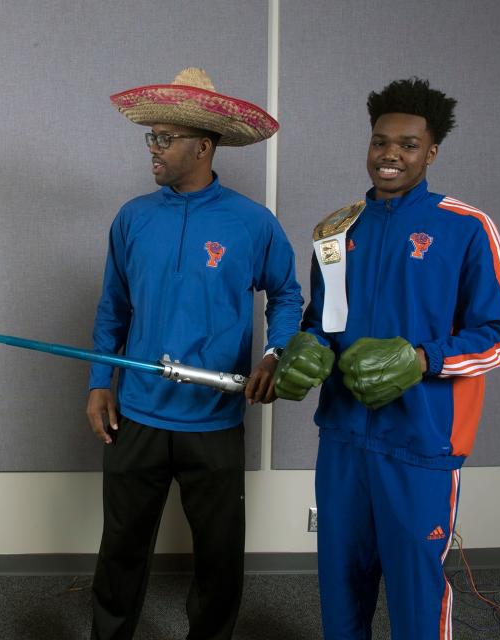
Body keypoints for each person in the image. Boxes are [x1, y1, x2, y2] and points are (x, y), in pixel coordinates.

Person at [274, 78, 500, 638]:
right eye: (380, 142)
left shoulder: (466, 226)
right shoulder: (335, 232)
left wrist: (421, 358)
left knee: (416, 591)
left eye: (408, 145)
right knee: (340, 585)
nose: (390, 154)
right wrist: (309, 343)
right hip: (342, 438)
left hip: (421, 443)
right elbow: (324, 320)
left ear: (431, 152)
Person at [86, 68, 303, 640]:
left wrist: (276, 352)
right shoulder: (132, 218)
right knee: (121, 549)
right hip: (137, 413)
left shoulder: (252, 222)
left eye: (165, 138)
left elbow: (286, 293)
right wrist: (99, 382)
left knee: (219, 557)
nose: (153, 149)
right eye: (150, 137)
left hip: (215, 418)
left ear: (204, 146)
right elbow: (113, 309)